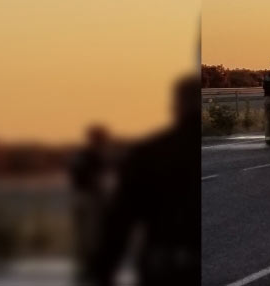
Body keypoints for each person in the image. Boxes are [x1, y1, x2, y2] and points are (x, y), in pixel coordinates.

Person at [94, 75, 200, 285]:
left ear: (177, 105)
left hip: (164, 260)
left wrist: (104, 268)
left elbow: (120, 217)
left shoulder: (150, 151)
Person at [69, 124, 109, 285]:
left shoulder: (81, 156)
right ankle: (90, 267)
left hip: (81, 198)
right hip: (90, 199)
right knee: (92, 235)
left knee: (84, 236)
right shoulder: (95, 157)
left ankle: (85, 266)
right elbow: (96, 180)